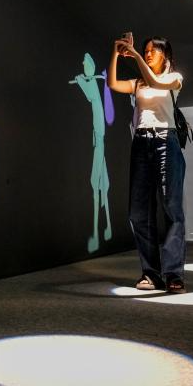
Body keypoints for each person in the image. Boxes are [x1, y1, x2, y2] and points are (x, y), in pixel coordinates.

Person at [109, 36, 188, 294]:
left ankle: (174, 274)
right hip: (141, 142)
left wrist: (134, 54)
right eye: (145, 51)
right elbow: (112, 83)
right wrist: (116, 53)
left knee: (171, 207)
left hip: (166, 140)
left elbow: (156, 82)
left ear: (166, 54)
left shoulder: (174, 78)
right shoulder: (138, 83)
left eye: (153, 50)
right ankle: (151, 273)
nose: (148, 53)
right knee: (139, 212)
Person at [69, 53, 113, 253]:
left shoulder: (93, 84)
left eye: (85, 64)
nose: (83, 66)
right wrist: (82, 81)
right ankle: (106, 227)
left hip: (99, 140)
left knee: (96, 181)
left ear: (90, 67)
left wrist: (80, 81)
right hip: (98, 139)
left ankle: (98, 232)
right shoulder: (93, 83)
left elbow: (89, 94)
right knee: (100, 180)